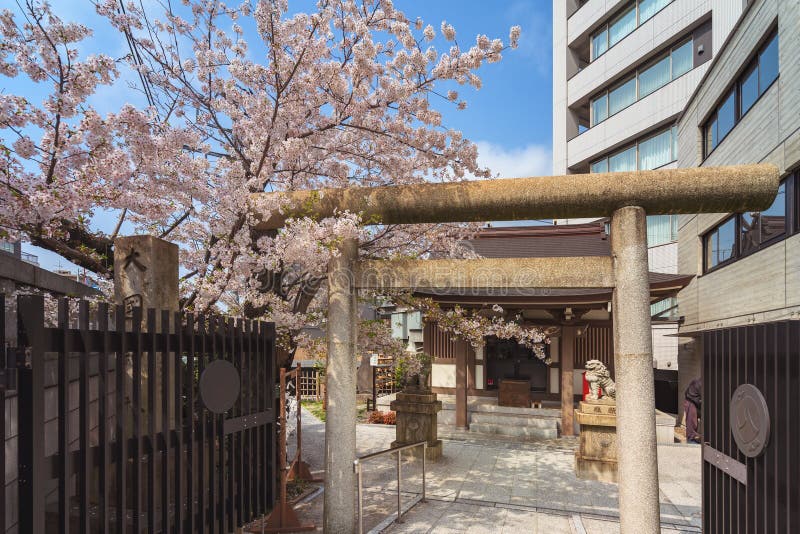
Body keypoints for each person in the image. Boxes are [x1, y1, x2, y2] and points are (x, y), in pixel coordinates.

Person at [684, 377, 702, 444]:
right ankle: (691, 441)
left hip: (699, 401)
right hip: (691, 400)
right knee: (691, 422)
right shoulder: (699, 383)